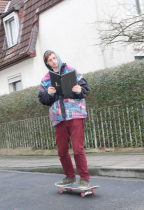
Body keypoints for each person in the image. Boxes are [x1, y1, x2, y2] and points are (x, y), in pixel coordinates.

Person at [38, 50, 90, 189]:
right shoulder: (45, 80)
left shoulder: (71, 71)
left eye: (54, 58)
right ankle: (70, 177)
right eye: (50, 60)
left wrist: (79, 90)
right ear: (47, 63)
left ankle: (84, 179)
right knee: (62, 151)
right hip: (58, 118)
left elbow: (85, 88)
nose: (53, 61)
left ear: (58, 58)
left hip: (75, 114)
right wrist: (48, 94)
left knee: (78, 149)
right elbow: (42, 99)